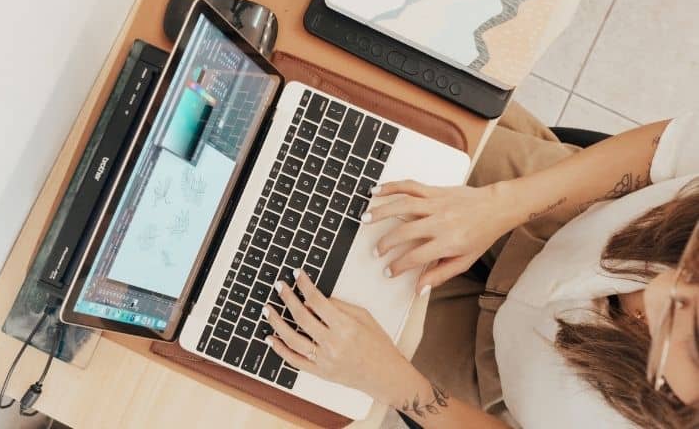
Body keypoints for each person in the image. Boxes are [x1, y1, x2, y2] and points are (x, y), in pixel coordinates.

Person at [261, 105, 699, 428]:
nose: (661, 284)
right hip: (559, 210)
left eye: (688, 335)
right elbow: (669, 148)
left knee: (287, 299)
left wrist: (394, 383)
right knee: (353, 122)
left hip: (495, 373)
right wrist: (502, 204)